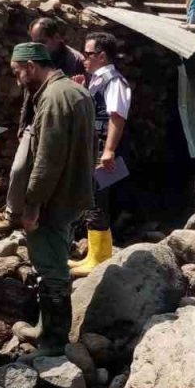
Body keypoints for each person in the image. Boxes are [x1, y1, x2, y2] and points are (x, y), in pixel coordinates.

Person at [8, 42, 95, 356]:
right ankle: (46, 328)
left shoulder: (54, 98)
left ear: (31, 66)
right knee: (55, 261)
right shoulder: (75, 91)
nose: (17, 80)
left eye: (18, 72)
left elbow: (47, 159)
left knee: (51, 269)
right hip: (70, 195)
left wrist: (32, 203)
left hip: (54, 199)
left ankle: (54, 341)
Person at [70, 32, 132, 277]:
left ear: (102, 56)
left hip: (104, 149)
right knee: (96, 198)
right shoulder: (96, 80)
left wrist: (108, 150)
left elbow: (117, 116)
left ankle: (97, 257)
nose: (84, 59)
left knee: (96, 199)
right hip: (95, 146)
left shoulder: (114, 81)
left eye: (88, 54)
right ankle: (99, 254)